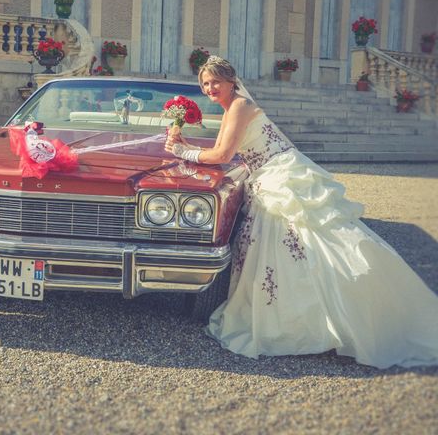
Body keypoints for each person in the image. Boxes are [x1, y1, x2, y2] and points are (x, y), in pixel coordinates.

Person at [166, 56, 438, 369]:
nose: (209, 87)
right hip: (267, 172)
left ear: (231, 81)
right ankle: (297, 312)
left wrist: (182, 151)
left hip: (279, 174)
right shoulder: (232, 107)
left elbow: (223, 154)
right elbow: (225, 152)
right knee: (284, 245)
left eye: (215, 81)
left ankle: (335, 313)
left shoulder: (239, 106)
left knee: (305, 238)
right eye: (205, 83)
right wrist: (185, 142)